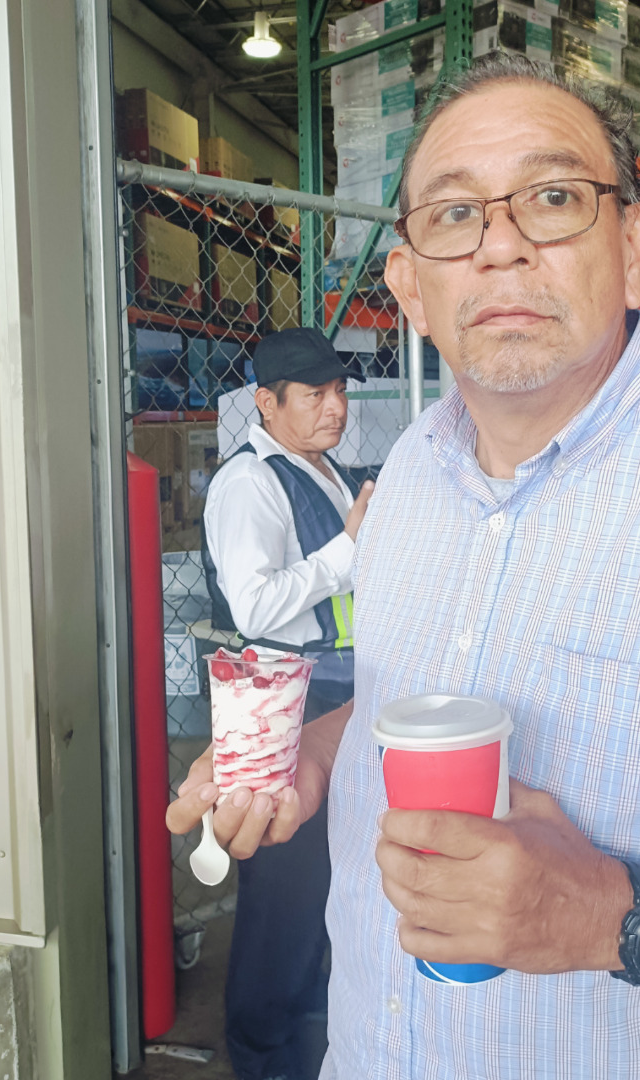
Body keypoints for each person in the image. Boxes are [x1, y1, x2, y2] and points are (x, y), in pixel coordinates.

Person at [170, 56, 640, 1079]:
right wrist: (318, 752)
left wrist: (609, 913)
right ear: (411, 287)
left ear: (636, 248)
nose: (500, 244)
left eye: (552, 199)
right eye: (455, 214)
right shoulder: (409, 475)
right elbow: (407, 692)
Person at [200, 326, 374, 1080]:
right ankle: (262, 1054)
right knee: (285, 893)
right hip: (286, 703)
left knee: (326, 883)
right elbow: (256, 604)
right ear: (266, 403)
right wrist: (347, 553)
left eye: (339, 391)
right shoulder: (250, 483)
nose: (335, 407)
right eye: (314, 394)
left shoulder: (323, 469)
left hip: (338, 693)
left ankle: (307, 1047)